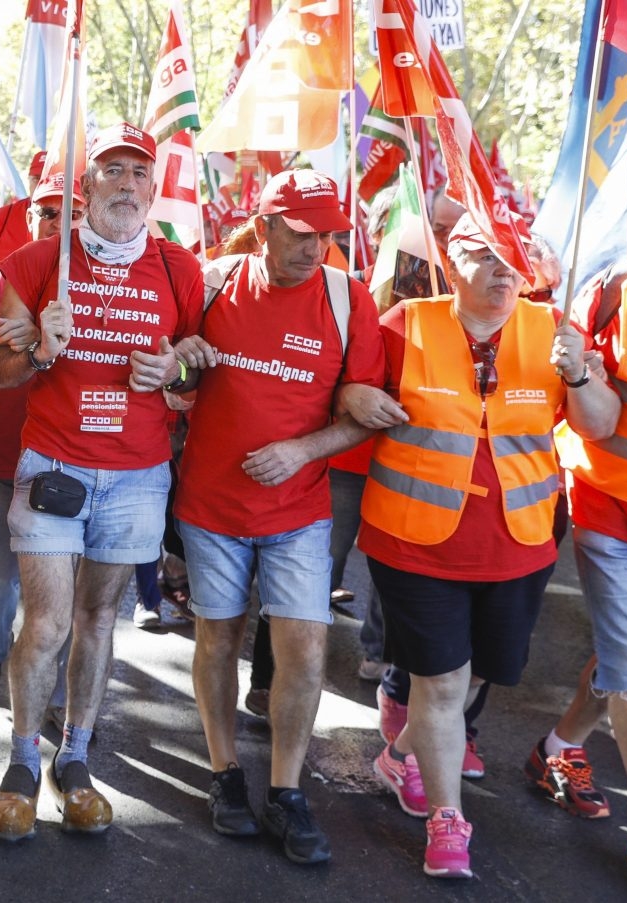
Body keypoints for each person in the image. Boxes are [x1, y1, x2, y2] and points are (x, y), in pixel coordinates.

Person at [347, 213, 617, 880]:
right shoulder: (404, 324)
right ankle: (448, 819)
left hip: (520, 543)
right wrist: (355, 392)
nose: (505, 270)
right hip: (416, 542)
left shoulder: (552, 332)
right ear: (451, 258)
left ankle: (400, 753)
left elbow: (602, 425)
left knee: (478, 670)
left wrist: (580, 377)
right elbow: (347, 392)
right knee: (439, 681)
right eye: (488, 255)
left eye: (516, 258)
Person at [0, 123, 204, 842]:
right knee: (44, 621)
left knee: (98, 619)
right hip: (54, 467)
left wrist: (175, 373)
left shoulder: (179, 269)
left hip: (138, 475)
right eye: (114, 170)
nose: (129, 185)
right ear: (87, 186)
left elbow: (199, 372)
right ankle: (20, 762)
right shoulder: (38, 259)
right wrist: (40, 348)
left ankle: (74, 759)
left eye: (141, 173)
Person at [170, 170, 386, 866]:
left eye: (325, 235)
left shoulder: (347, 299)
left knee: (304, 649)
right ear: (263, 226)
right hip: (211, 504)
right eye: (299, 233)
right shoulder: (210, 283)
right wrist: (181, 364)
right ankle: (225, 772)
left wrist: (302, 449)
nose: (314, 247)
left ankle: (287, 790)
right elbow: (169, 384)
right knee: (217, 639)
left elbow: (364, 417)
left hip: (300, 511)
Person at [527, 178, 627, 894]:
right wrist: (581, 370)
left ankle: (557, 749)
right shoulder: (621, 289)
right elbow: (596, 421)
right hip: (613, 505)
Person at [0, 171, 81, 702]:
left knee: (65, 587)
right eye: (47, 212)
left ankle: (56, 691)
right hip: (7, 454)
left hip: (74, 459)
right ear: (29, 217)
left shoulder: (102, 286)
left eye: (70, 212)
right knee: (0, 571)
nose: (57, 223)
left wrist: (41, 335)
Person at [0, 150, 47, 288]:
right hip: (3, 308)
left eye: (48, 178)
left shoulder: (74, 219)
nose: (41, 185)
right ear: (28, 180)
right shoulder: (2, 217)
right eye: (36, 179)